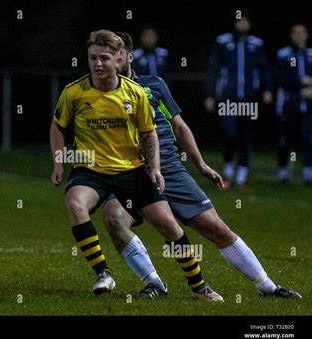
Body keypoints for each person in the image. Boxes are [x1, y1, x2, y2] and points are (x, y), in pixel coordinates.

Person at [103, 31, 301, 300]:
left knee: (216, 228)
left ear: (128, 56)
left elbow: (181, 128)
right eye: (103, 57)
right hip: (129, 173)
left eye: (115, 55)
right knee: (114, 218)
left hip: (170, 168)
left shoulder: (154, 85)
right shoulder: (98, 94)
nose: (108, 62)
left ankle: (267, 286)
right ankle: (153, 283)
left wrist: (202, 165)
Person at [50, 30, 221, 301]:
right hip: (90, 170)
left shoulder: (135, 93)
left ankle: (199, 286)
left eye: (104, 58)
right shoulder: (74, 92)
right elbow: (58, 127)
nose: (98, 64)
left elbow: (149, 133)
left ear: (118, 58)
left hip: (130, 169)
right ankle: (103, 273)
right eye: (93, 58)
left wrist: (154, 168)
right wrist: (59, 161)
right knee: (75, 202)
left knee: (170, 227)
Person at [205, 13, 273, 187]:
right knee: (230, 134)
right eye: (239, 21)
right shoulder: (223, 42)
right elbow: (214, 69)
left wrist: (267, 89)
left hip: (249, 99)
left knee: (246, 136)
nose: (242, 24)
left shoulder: (256, 44)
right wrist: (210, 95)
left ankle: (242, 176)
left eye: (245, 21)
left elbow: (264, 69)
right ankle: (227, 172)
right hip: (228, 98)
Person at [275, 23, 312, 184]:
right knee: (286, 139)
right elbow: (279, 77)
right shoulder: (284, 54)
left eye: (302, 32)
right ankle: (283, 171)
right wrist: (299, 82)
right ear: (291, 35)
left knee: (308, 138)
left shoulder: (311, 54)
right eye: (296, 33)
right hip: (289, 104)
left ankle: (308, 172)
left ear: (306, 35)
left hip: (309, 105)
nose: (299, 36)